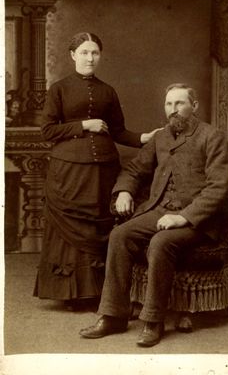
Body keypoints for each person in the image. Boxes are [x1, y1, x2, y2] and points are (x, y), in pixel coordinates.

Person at [79, 83, 228, 346]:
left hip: (196, 219)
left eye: (180, 103)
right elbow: (134, 169)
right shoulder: (161, 137)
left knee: (161, 242)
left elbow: (220, 187)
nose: (173, 110)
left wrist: (183, 217)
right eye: (169, 104)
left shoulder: (212, 136)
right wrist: (125, 192)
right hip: (159, 210)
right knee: (120, 234)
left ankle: (153, 320)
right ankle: (113, 315)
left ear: (194, 106)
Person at [33, 32, 160, 309]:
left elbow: (117, 131)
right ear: (72, 55)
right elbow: (47, 130)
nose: (90, 58)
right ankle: (71, 294)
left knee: (100, 223)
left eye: (95, 53)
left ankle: (101, 293)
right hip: (69, 172)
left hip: (103, 170)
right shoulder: (59, 89)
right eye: (84, 52)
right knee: (73, 228)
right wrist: (84, 125)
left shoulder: (107, 90)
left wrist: (143, 139)